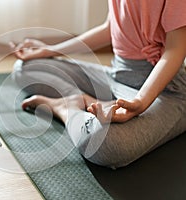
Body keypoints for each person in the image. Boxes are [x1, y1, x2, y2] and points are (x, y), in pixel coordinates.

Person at [10, 0, 186, 169]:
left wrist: (140, 102)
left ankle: (66, 109)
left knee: (106, 144)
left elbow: (175, 49)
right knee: (25, 68)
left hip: (164, 91)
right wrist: (49, 50)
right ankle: (82, 99)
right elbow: (110, 28)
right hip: (116, 74)